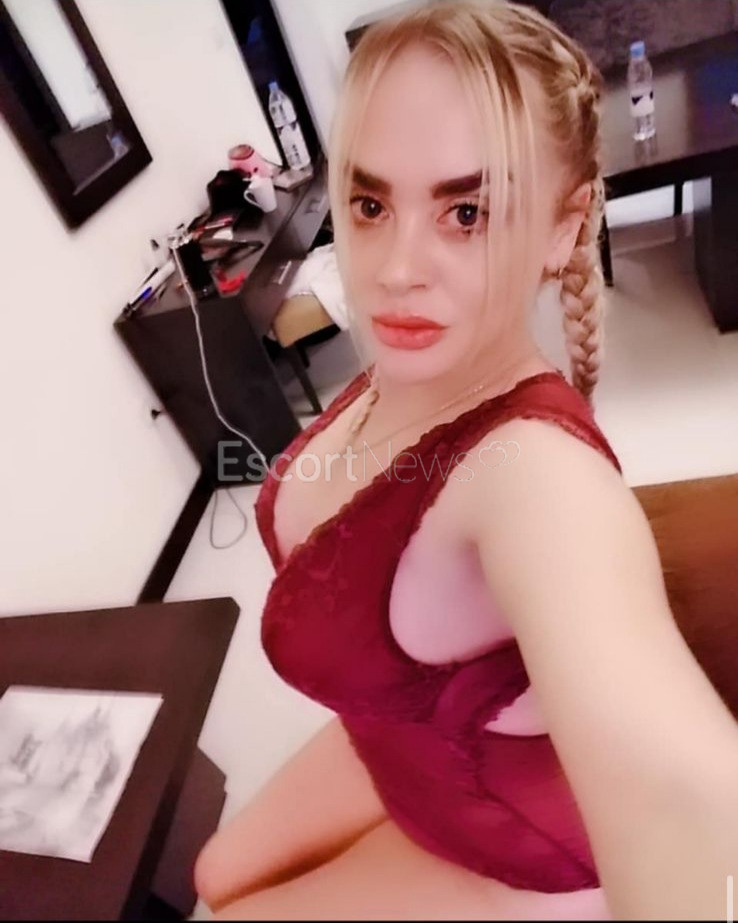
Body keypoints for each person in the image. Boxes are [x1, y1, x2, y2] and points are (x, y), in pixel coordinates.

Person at [195, 1, 738, 918]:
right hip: (405, 745)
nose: (396, 268)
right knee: (216, 874)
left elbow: (684, 804)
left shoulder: (534, 476)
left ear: (565, 226)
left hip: (517, 845)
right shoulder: (409, 365)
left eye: (468, 211)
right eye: (372, 204)